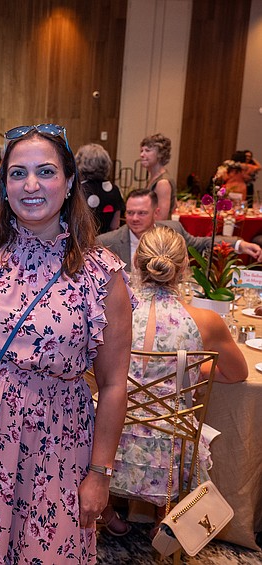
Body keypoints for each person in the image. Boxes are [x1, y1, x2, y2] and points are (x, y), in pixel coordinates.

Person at [0, 123, 134, 563]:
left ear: (70, 180)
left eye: (45, 171)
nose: (30, 185)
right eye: (18, 173)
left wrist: (99, 474)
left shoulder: (100, 272)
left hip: (53, 444)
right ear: (4, 184)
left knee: (45, 550)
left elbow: (114, 384)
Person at [99, 226, 247, 537]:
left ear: (137, 261)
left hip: (110, 437)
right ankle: (164, 523)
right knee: (173, 427)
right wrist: (190, 372)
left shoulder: (110, 311)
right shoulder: (205, 321)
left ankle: (107, 512)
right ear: (183, 268)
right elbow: (237, 373)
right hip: (170, 447)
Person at [97, 189, 262, 272]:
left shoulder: (173, 231)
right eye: (130, 212)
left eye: (142, 213)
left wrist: (240, 245)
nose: (134, 218)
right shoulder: (107, 242)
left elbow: (202, 244)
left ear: (156, 213)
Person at [75, 143, 124, 233]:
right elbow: (115, 225)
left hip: (81, 242)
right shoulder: (114, 190)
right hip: (106, 242)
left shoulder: (78, 190)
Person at [139, 133, 176, 220]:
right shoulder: (154, 178)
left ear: (160, 154)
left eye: (147, 151)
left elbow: (161, 218)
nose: (142, 155)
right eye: (141, 151)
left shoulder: (163, 183)